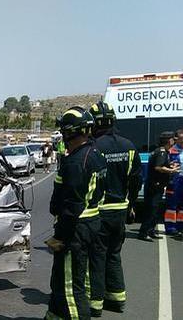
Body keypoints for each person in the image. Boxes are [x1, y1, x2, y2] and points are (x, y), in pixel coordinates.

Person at [45, 106, 106, 320]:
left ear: (68, 132)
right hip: (91, 223)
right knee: (62, 279)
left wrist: (59, 236)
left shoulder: (76, 161)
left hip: (75, 230)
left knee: (72, 287)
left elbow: (72, 206)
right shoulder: (95, 154)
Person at [88, 101, 142, 316]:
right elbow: (136, 180)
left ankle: (96, 303)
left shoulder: (94, 148)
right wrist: (131, 205)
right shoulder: (129, 145)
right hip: (121, 210)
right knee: (114, 255)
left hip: (99, 211)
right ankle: (117, 299)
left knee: (97, 256)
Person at [139, 132, 179, 241]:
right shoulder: (161, 152)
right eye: (172, 139)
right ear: (168, 140)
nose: (174, 141)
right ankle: (144, 232)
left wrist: (170, 165)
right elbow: (158, 167)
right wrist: (172, 170)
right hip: (154, 186)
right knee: (151, 210)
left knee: (155, 210)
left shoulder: (163, 152)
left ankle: (151, 231)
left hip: (157, 185)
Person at [165, 129, 183, 236]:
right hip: (174, 181)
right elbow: (165, 165)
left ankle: (180, 227)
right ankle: (171, 228)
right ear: (176, 139)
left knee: (182, 206)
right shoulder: (171, 151)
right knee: (171, 205)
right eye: (181, 140)